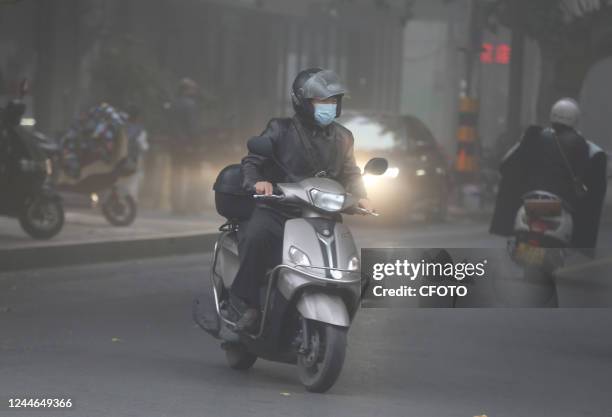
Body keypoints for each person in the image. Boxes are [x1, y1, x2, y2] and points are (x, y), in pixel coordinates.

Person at [230, 68, 374, 332]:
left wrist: (361, 196)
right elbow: (252, 162)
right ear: (303, 102)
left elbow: (351, 173)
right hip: (279, 209)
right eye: (322, 101)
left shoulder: (344, 137)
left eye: (332, 101)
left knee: (346, 254)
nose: (328, 107)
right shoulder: (279, 129)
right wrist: (258, 182)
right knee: (256, 235)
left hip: (322, 213)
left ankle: (337, 295)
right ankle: (247, 304)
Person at [490, 98, 607, 253]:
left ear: (552, 114)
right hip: (561, 204)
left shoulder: (533, 136)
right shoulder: (585, 146)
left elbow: (507, 163)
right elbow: (591, 182)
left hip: (532, 199)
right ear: (575, 119)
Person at [168, 78, 204, 214]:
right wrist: (197, 143)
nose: (195, 91)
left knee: (176, 175)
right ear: (186, 90)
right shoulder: (190, 104)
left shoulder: (173, 104)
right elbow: (193, 128)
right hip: (188, 146)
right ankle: (191, 205)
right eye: (193, 89)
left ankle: (176, 206)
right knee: (193, 175)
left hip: (174, 145)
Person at [119, 104, 149, 200]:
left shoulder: (122, 127)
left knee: (119, 181)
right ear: (139, 117)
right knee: (133, 182)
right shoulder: (140, 130)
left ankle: (118, 199)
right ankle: (129, 202)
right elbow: (143, 146)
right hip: (134, 159)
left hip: (119, 159)